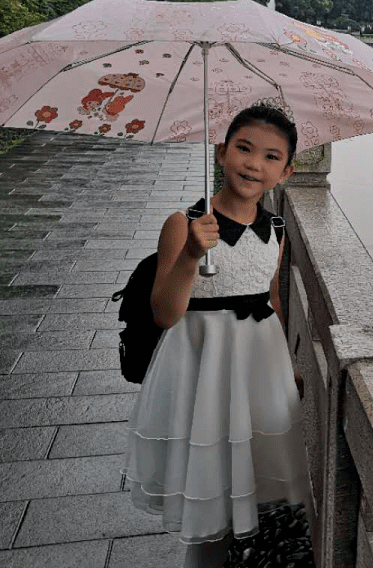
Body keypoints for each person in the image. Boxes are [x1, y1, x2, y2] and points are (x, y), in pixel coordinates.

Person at [123, 105, 312, 568]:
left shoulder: (277, 228)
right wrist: (191, 252)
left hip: (258, 364)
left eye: (271, 157)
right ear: (221, 152)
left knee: (257, 478)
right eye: (244, 149)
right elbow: (165, 314)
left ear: (285, 171)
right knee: (207, 484)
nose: (253, 164)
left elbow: (272, 298)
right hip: (200, 364)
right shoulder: (182, 223)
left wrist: (288, 365)